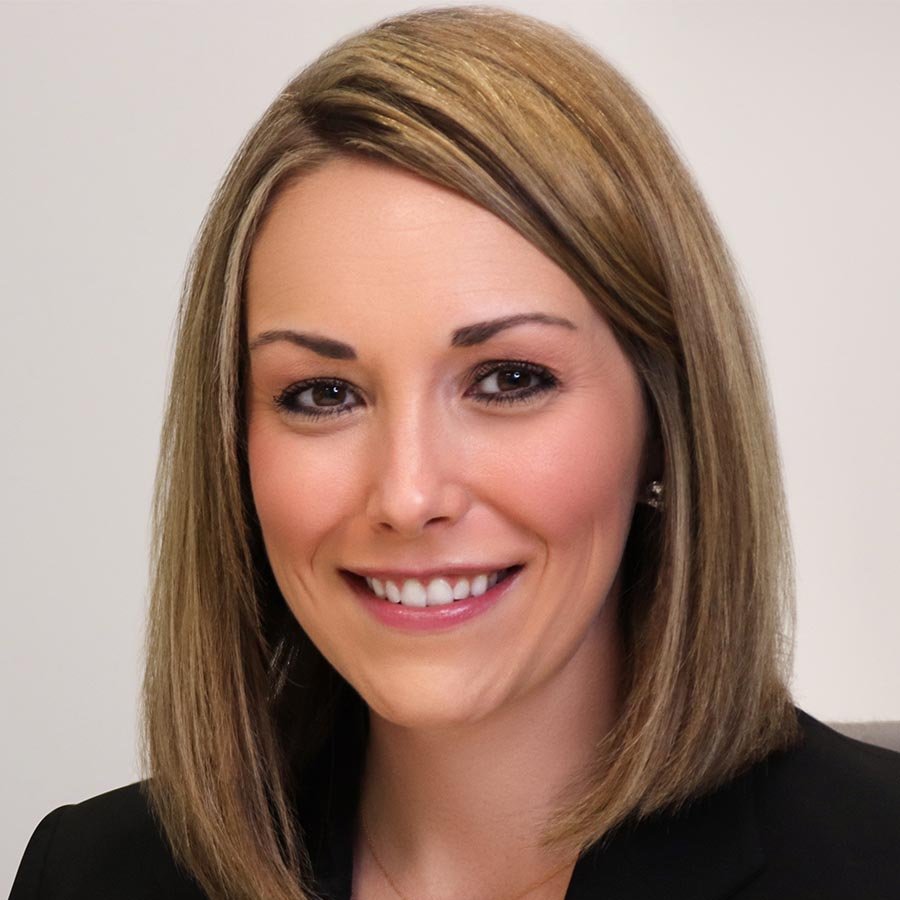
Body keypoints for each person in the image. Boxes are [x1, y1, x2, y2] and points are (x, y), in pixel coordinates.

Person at [10, 5, 900, 900]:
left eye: (509, 379)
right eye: (323, 395)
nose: (406, 493)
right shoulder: (91, 875)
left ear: (667, 423)